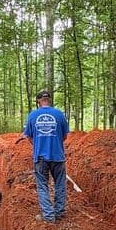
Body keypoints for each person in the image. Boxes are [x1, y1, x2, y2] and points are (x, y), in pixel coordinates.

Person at [22, 90, 70, 223]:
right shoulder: (59, 114)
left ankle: (48, 216)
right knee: (60, 184)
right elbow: (64, 136)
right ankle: (59, 212)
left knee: (42, 185)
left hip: (40, 156)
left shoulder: (32, 115)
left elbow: (29, 137)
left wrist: (39, 144)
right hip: (57, 155)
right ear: (49, 100)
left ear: (38, 101)